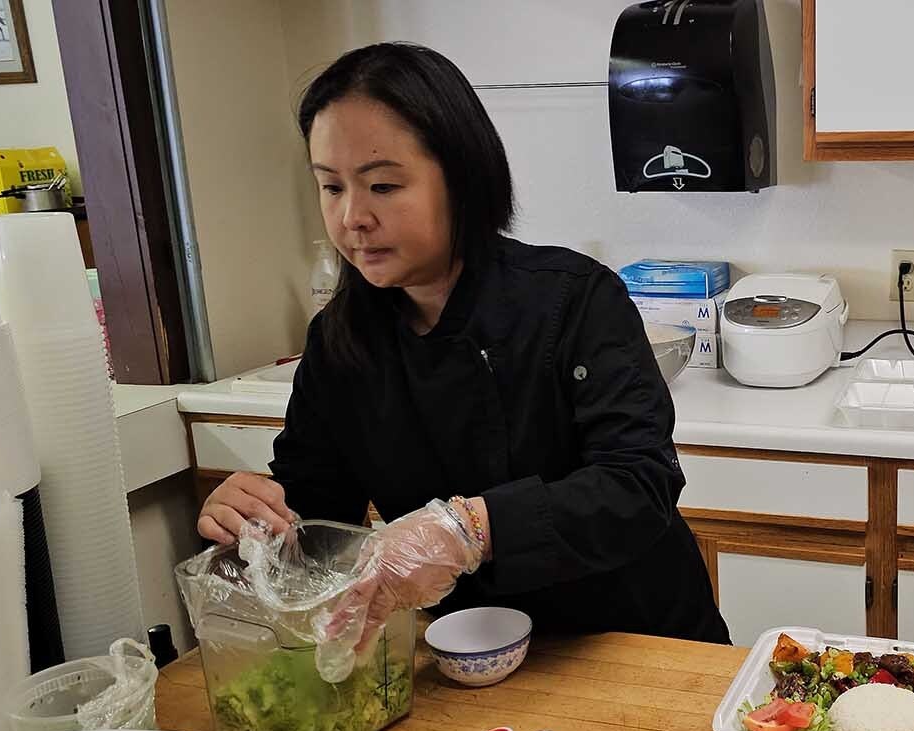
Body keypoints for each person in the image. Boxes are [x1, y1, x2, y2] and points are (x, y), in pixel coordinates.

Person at [196, 42, 728, 645]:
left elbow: (636, 485)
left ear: (462, 177)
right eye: (331, 187)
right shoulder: (341, 340)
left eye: (384, 186)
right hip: (464, 651)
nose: (352, 218)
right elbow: (319, 520)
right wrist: (256, 520)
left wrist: (470, 527)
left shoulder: (573, 299)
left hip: (633, 641)